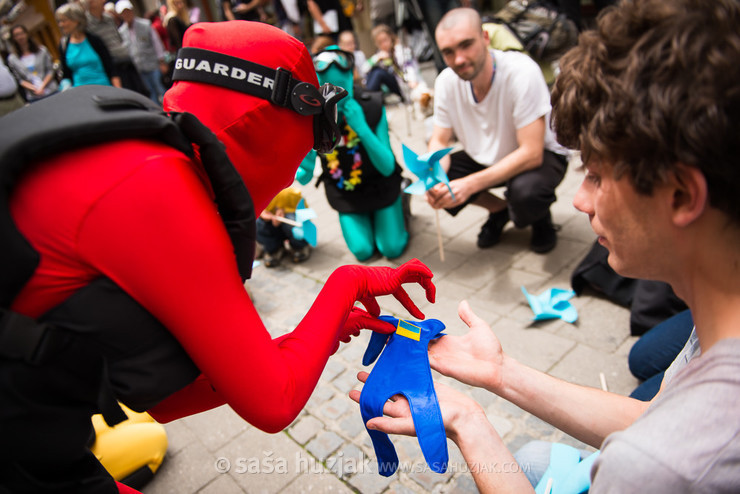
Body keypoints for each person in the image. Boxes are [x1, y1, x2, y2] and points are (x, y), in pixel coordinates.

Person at [1, 20, 436, 493]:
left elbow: (166, 399)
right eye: (293, 161)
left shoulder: (140, 144)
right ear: (267, 130)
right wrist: (347, 282)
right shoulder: (157, 186)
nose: (290, 182)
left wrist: (315, 334)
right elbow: (275, 403)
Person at [351, 0, 740, 491]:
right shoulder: (719, 319)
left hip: (522, 171)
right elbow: (652, 415)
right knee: (623, 384)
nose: (579, 200)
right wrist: (498, 372)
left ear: (682, 194)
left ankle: (526, 221)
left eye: (596, 175)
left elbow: (656, 442)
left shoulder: (660, 466)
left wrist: (468, 425)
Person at [426, 8, 568, 254]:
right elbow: (439, 139)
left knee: (527, 194)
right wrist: (432, 176)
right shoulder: (446, 81)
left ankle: (539, 217)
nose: (458, 59)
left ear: (485, 38)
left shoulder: (521, 71)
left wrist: (469, 185)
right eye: (448, 52)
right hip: (487, 152)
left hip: (539, 156)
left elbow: (532, 152)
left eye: (466, 45)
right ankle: (499, 210)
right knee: (442, 182)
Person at [297, 47, 409, 262]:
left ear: (350, 78)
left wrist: (362, 128)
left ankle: (402, 201)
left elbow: (387, 166)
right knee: (362, 251)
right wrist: (306, 159)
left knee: (392, 248)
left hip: (380, 185)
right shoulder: (313, 116)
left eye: (339, 88)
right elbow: (304, 176)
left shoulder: (372, 105)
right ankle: (371, 221)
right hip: (345, 192)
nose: (334, 99)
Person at [82, 0, 148, 95]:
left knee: (141, 94)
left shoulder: (109, 18)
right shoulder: (87, 24)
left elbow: (118, 39)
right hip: (113, 69)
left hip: (127, 62)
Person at [56, 2, 122, 89]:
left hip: (104, 88)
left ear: (76, 20)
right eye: (59, 21)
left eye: (64, 21)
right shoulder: (64, 45)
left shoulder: (94, 40)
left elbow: (111, 69)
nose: (61, 25)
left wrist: (119, 91)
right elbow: (66, 75)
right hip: (82, 94)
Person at [116, 0, 168, 104]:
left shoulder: (145, 24)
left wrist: (161, 61)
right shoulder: (121, 31)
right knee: (150, 94)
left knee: (161, 90)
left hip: (153, 65)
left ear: (132, 11)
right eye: (124, 13)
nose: (127, 14)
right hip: (139, 69)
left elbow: (156, 43)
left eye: (128, 11)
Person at [256, 186, 312, 267]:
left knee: (293, 222)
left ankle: (300, 246)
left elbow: (305, 212)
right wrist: (263, 215)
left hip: (290, 221)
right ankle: (274, 249)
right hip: (272, 225)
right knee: (258, 223)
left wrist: (284, 211)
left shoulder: (290, 194)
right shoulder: (259, 195)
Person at [7, 24, 59, 102]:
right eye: (16, 35)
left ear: (27, 34)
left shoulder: (42, 51)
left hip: (51, 90)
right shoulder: (12, 59)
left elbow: (50, 70)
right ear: (13, 38)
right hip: (33, 96)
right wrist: (34, 88)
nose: (20, 37)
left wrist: (42, 86)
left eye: (22, 33)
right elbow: (19, 79)